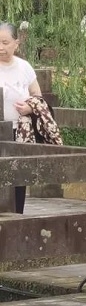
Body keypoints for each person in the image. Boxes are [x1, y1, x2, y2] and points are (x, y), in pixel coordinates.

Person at [0, 21, 42, 214]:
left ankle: (17, 219)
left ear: (16, 43)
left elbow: (37, 96)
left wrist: (29, 107)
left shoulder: (24, 67)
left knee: (18, 178)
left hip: (20, 132)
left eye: (5, 42)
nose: (1, 47)